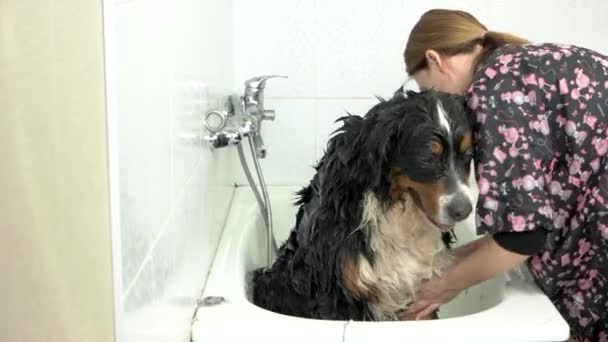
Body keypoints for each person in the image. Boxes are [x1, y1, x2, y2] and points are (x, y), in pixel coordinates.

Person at [399, 9, 608, 341]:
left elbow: (523, 238)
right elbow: (526, 226)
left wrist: (438, 290)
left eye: (429, 89)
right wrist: (443, 263)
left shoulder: (495, 86)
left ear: (435, 59)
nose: (440, 103)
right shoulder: (523, 61)